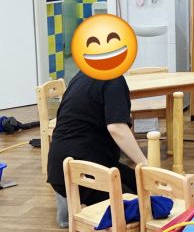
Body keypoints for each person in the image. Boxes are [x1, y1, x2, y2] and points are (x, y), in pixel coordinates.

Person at [46, 71, 147, 224]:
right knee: (144, 207)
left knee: (140, 185)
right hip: (82, 171)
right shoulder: (113, 79)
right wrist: (146, 164)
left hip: (59, 168)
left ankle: (69, 210)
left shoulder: (82, 75)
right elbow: (117, 128)